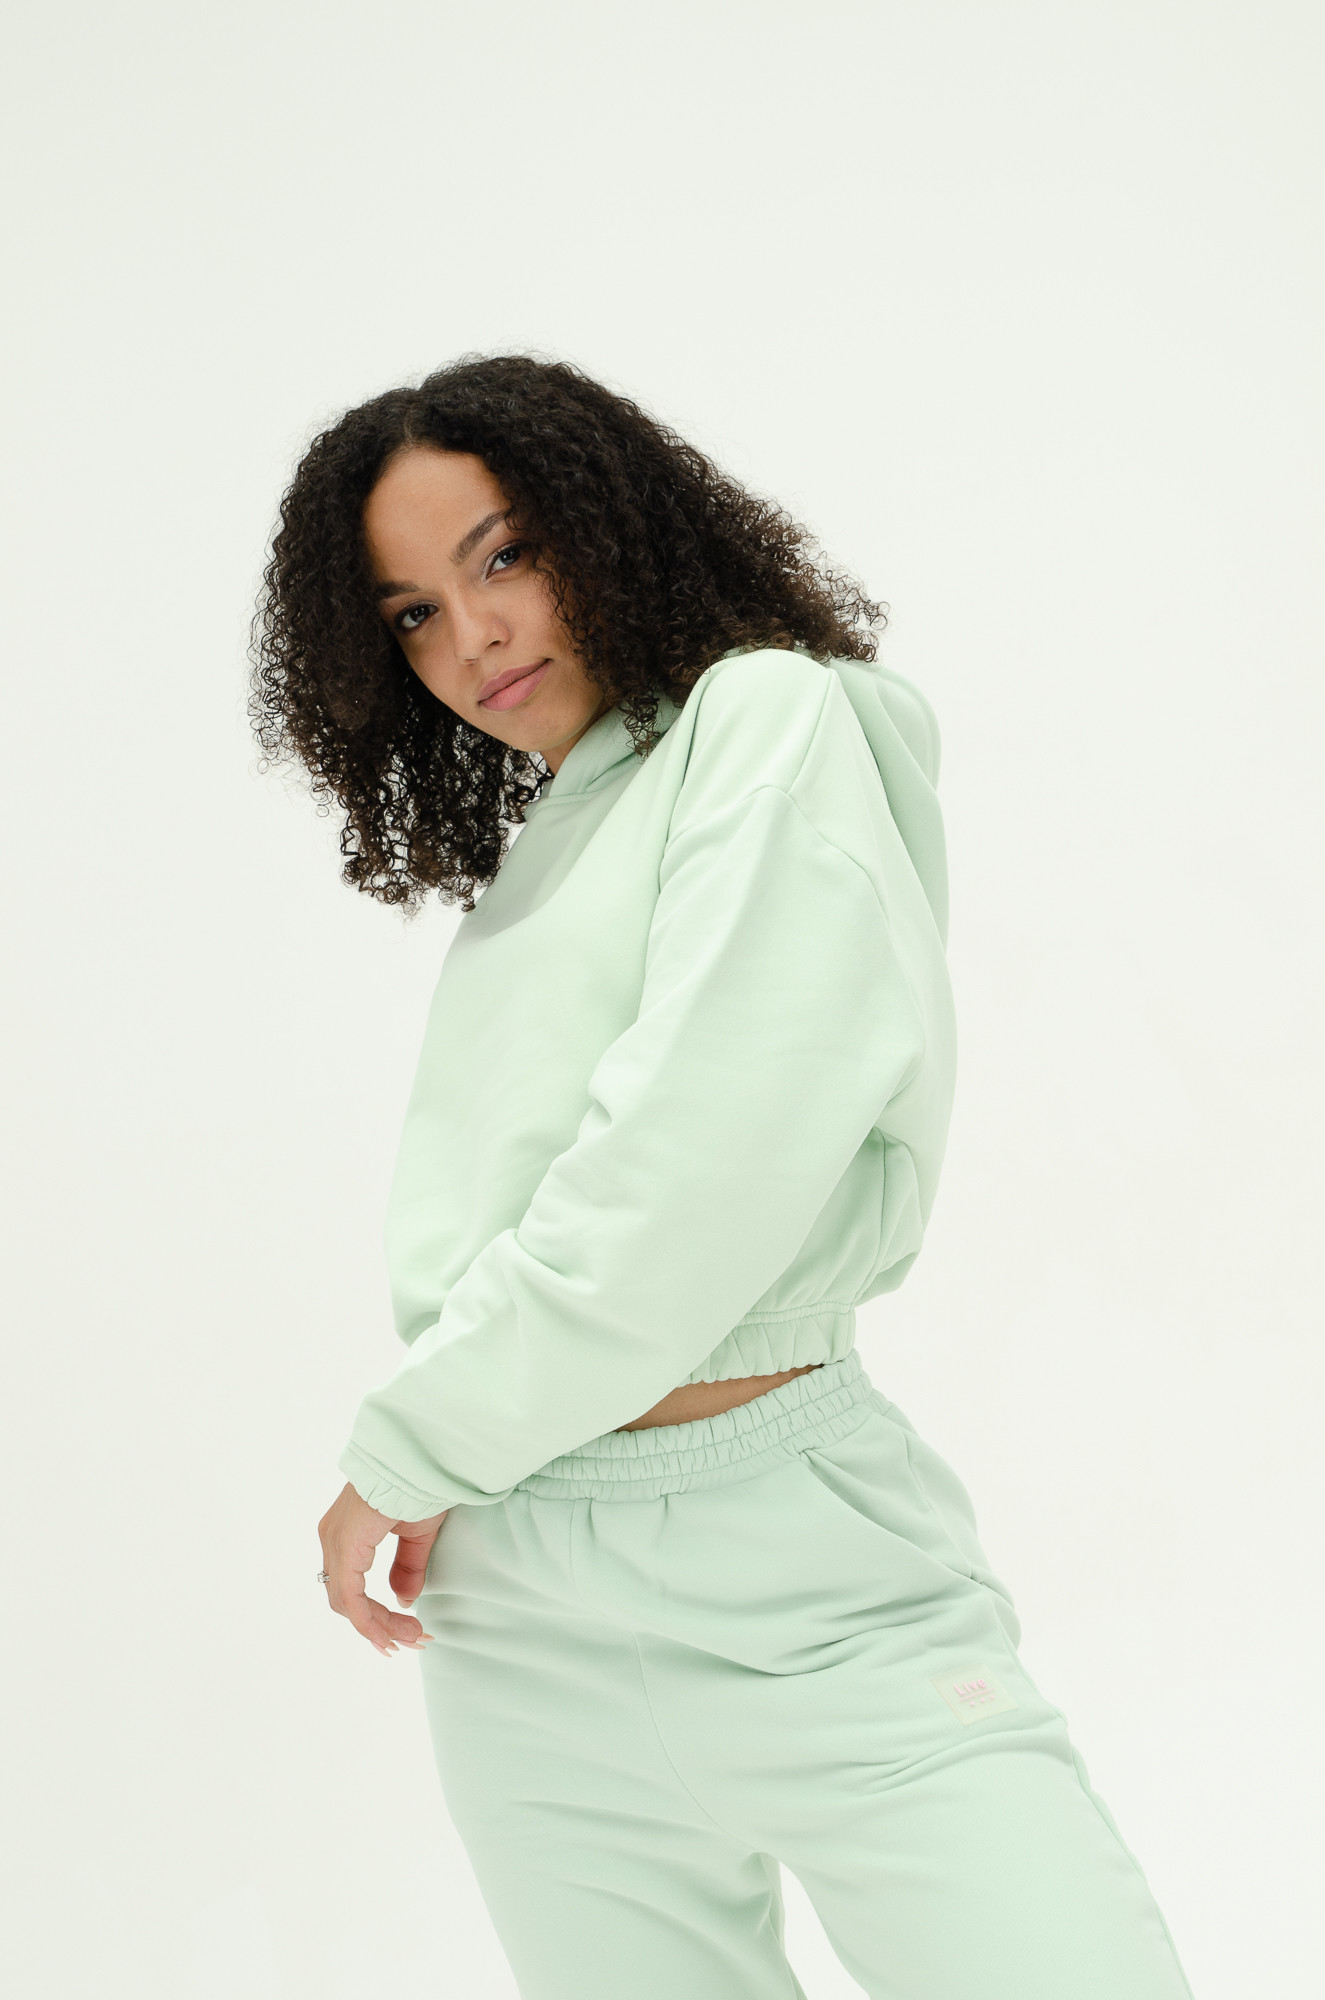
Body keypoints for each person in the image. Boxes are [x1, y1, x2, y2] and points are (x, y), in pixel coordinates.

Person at [250, 354, 1195, 2000]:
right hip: (517, 1620)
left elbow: (698, 1162)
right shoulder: (555, 846)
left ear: (609, 524)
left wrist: (412, 1442)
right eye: (411, 613)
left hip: (795, 1573)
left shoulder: (766, 717)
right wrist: (461, 1451)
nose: (472, 636)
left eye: (502, 553)